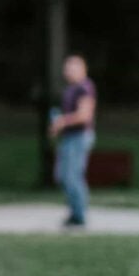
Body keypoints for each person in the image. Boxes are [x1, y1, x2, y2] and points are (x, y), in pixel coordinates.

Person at [50, 55, 97, 227]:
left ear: (82, 69)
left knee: (73, 176)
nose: (68, 72)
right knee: (63, 174)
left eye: (72, 68)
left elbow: (85, 115)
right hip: (69, 137)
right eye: (67, 68)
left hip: (79, 137)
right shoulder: (71, 89)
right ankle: (74, 212)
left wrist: (63, 121)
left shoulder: (85, 88)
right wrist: (59, 125)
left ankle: (79, 215)